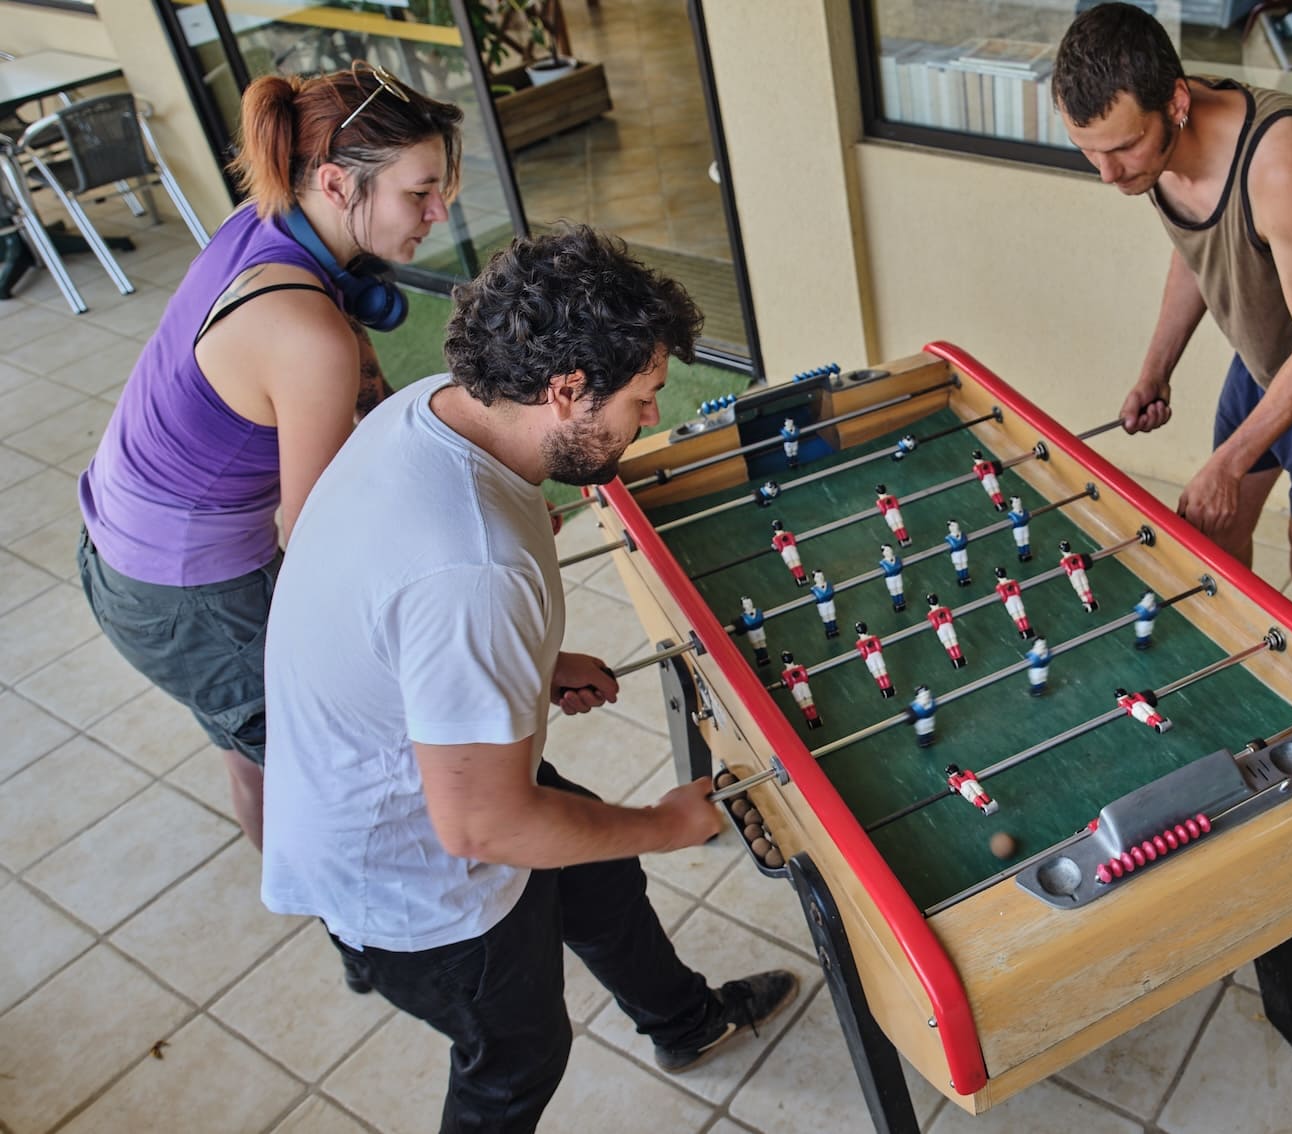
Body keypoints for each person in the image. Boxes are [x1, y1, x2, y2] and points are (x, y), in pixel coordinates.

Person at [259, 227, 797, 1128]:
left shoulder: (436, 407)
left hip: (422, 759)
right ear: (566, 390)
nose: (649, 423)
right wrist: (667, 824)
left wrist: (532, 668)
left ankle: (686, 1021)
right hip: (410, 873)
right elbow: (482, 823)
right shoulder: (475, 571)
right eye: (640, 400)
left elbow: (404, 621)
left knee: (601, 881)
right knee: (517, 1060)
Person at [74, 62, 462, 849]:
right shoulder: (306, 330)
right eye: (418, 192)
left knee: (257, 753)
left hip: (120, 557)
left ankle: (328, 908)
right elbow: (324, 534)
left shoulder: (263, 222)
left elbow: (365, 406)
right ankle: (373, 939)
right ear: (334, 182)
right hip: (192, 597)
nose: (440, 211)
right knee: (345, 776)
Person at [1052, 3, 1292, 639]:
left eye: (1121, 149)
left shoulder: (1280, 161)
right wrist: (1155, 371)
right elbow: (1198, 252)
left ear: (1175, 101)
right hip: (1266, 359)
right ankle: (1246, 666)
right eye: (1089, 153)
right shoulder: (1152, 156)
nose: (1110, 174)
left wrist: (1228, 461)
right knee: (1215, 532)